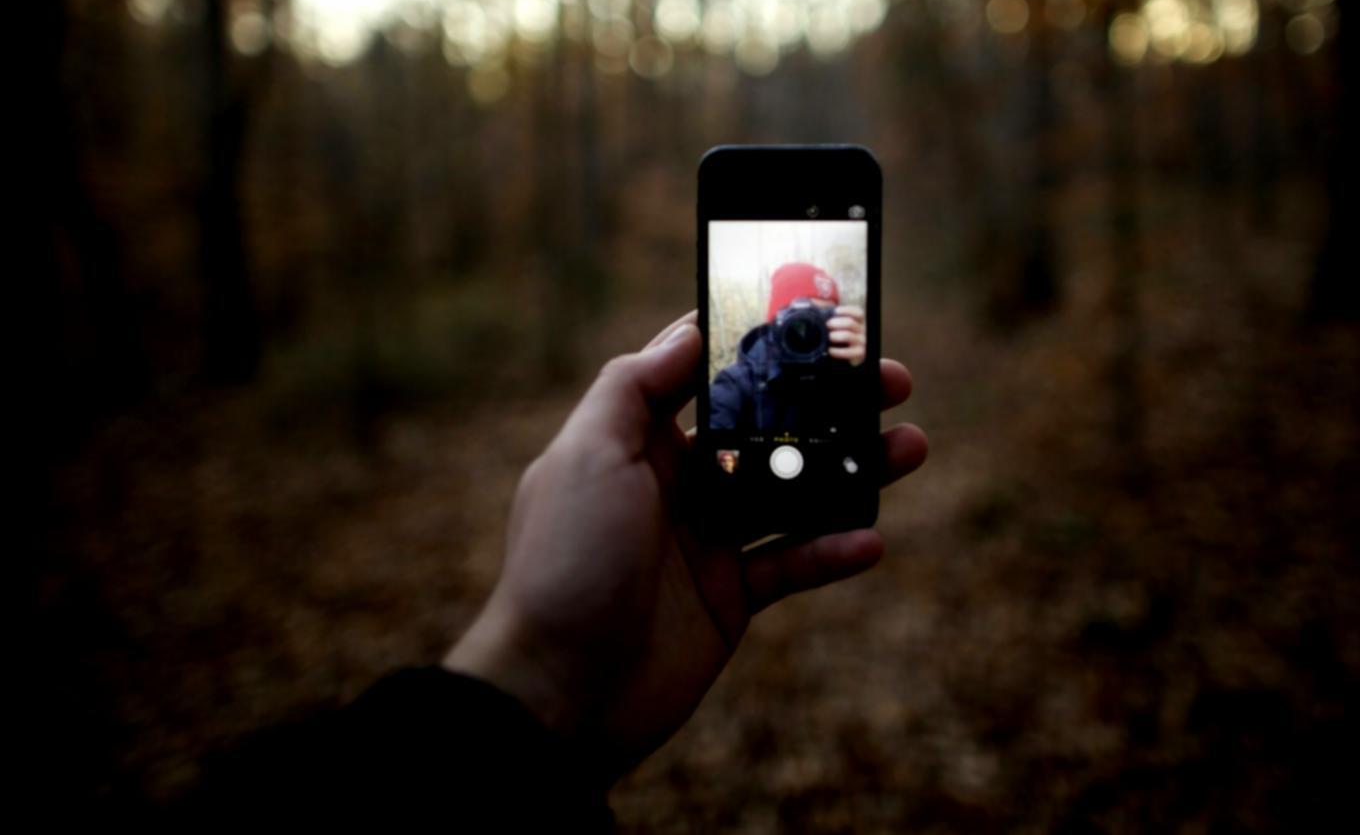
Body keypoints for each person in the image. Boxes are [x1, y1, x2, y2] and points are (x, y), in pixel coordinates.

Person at [180, 311, 927, 823]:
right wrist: (537, 673)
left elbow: (841, 411)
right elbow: (727, 408)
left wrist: (526, 684)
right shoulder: (742, 367)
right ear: (774, 320)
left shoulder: (833, 364)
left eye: (818, 322)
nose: (802, 332)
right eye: (797, 321)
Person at [710, 262, 868, 432]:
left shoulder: (844, 372)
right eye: (798, 320)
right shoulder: (736, 385)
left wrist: (860, 373)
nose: (807, 332)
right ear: (774, 324)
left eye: (820, 319)